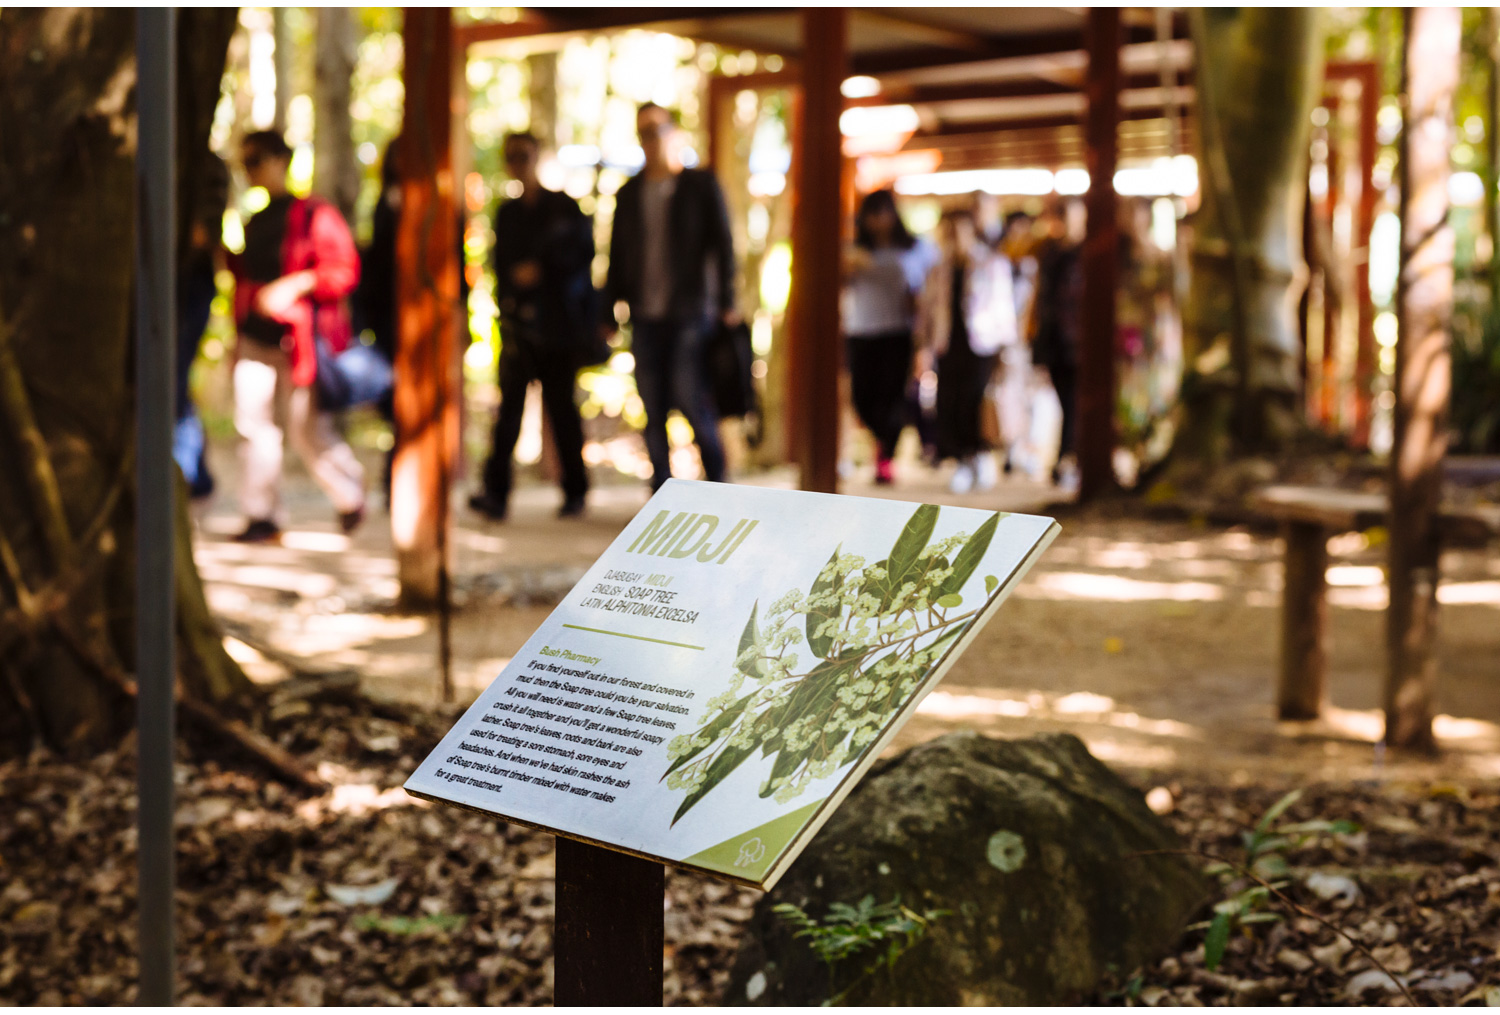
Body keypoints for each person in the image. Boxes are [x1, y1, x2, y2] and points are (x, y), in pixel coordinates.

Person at [228, 130, 365, 544]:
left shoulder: (314, 214)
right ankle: (261, 515)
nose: (249, 171)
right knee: (254, 426)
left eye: (255, 161)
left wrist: (296, 285)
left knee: (307, 430)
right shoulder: (254, 221)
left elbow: (343, 271)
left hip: (300, 342)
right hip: (255, 337)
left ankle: (351, 495)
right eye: (244, 163)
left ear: (278, 160)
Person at [603, 102, 738, 491]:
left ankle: (719, 484)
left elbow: (723, 246)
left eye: (657, 130)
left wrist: (727, 301)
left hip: (691, 312)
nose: (650, 140)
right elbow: (616, 255)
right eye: (643, 132)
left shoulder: (700, 186)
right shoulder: (629, 194)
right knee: (652, 404)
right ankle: (661, 490)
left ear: (673, 134)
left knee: (690, 396)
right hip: (645, 314)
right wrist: (608, 310)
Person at [469, 131, 593, 521]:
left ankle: (575, 490)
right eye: (512, 157)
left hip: (558, 330)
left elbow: (581, 259)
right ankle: (496, 493)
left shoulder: (565, 208)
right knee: (508, 413)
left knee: (562, 412)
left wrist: (542, 271)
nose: (518, 164)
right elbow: (499, 265)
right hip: (518, 329)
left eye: (524, 156)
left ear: (538, 157)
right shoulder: (507, 213)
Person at [916, 208, 1018, 495]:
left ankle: (979, 453)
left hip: (982, 343)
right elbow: (928, 310)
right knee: (950, 400)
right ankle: (960, 457)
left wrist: (1005, 348)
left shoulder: (991, 264)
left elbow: (1003, 306)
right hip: (948, 343)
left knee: (976, 398)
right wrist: (923, 345)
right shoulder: (939, 268)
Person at [842, 189, 936, 485]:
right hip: (861, 330)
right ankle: (882, 441)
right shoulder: (853, 251)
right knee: (861, 398)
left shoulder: (916, 249)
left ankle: (885, 457)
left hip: (897, 332)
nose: (879, 221)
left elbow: (931, 285)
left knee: (892, 396)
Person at [174, 151, 229, 501]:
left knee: (172, 378)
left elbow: (200, 234)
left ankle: (188, 474)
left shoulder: (205, 165)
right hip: (176, 280)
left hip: (189, 281)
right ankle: (194, 473)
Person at [1030, 199, 1085, 491]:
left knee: (1074, 401)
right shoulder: (1049, 254)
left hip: (1078, 339)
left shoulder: (1087, 254)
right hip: (1054, 340)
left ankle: (1067, 457)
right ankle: (1067, 457)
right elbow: (1042, 298)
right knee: (1065, 401)